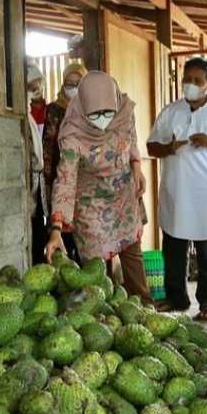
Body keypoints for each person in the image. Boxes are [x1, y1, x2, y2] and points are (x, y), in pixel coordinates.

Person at [44, 71, 152, 304]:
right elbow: (65, 180)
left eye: (107, 113)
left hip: (123, 195)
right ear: (82, 107)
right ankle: (105, 319)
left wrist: (136, 165)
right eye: (96, 114)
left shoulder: (124, 112)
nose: (103, 119)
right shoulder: (72, 135)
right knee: (96, 270)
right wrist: (56, 229)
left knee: (132, 256)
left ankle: (145, 310)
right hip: (91, 204)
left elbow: (132, 140)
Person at [147, 57, 207, 321]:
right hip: (175, 192)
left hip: (204, 196)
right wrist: (169, 147)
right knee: (174, 250)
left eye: (197, 81)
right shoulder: (170, 112)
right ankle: (176, 299)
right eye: (187, 80)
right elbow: (151, 147)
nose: (190, 85)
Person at [43, 62, 89, 264]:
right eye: (69, 84)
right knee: (63, 228)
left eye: (78, 83)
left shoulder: (92, 109)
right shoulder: (55, 110)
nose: (73, 88)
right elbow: (48, 146)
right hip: (61, 174)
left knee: (87, 234)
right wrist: (47, 177)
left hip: (86, 180)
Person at [26, 63, 48, 265]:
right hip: (30, 180)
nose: (36, 88)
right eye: (31, 84)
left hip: (42, 180)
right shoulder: (23, 113)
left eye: (38, 83)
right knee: (33, 226)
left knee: (42, 226)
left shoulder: (48, 112)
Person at [26, 63, 47, 135]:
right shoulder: (26, 111)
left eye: (39, 82)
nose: (37, 89)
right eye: (30, 86)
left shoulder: (49, 110)